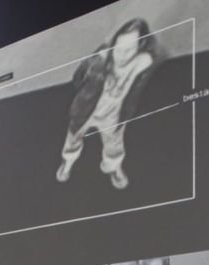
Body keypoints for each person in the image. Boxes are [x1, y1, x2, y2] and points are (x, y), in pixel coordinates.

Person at [56, 18, 159, 190]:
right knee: (73, 139)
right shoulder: (101, 58)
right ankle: (68, 162)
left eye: (129, 49)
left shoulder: (142, 62)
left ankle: (113, 167)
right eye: (119, 47)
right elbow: (77, 78)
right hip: (86, 112)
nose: (122, 54)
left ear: (140, 47)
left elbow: (152, 54)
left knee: (115, 145)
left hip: (114, 115)